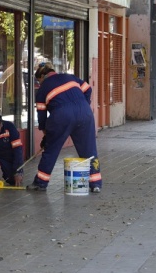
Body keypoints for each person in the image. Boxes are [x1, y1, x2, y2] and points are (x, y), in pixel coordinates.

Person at [26, 62, 102, 192]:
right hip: (85, 113)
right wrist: (84, 103)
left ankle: (41, 183)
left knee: (51, 150)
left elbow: (42, 116)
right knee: (89, 149)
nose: (39, 83)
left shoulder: (43, 89)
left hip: (62, 116)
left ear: (43, 77)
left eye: (39, 81)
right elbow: (88, 89)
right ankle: (95, 184)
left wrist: (46, 134)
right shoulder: (70, 77)